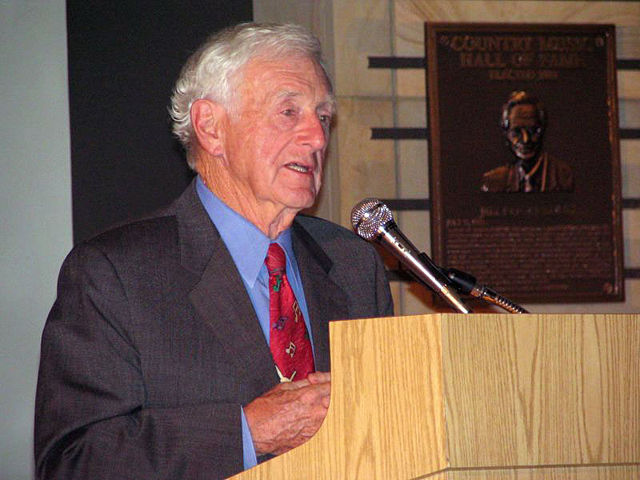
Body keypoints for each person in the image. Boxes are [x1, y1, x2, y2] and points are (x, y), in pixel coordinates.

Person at [34, 23, 393, 479]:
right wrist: (246, 433)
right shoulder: (115, 274)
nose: (318, 138)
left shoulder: (352, 265)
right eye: (289, 111)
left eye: (322, 116)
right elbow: (73, 463)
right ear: (211, 127)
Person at [481, 90, 574, 193]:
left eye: (533, 131)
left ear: (542, 129)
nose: (525, 140)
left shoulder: (563, 176)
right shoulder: (493, 181)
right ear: (506, 133)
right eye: (516, 132)